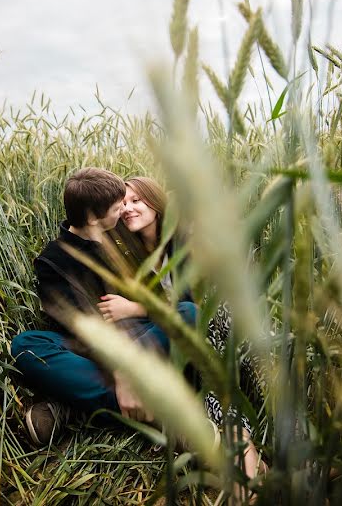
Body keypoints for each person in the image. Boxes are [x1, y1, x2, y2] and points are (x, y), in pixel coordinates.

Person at [10, 168, 198, 445]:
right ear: (93, 218)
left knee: (188, 314)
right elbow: (80, 328)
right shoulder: (53, 262)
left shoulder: (119, 235)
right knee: (26, 344)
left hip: (139, 336)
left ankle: (72, 407)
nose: (124, 210)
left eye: (129, 203)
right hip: (91, 348)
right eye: (118, 206)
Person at [100, 176, 267, 484]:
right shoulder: (129, 256)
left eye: (136, 200)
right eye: (122, 203)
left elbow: (198, 308)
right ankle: (253, 469)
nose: (128, 208)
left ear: (156, 203)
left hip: (216, 334)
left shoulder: (185, 241)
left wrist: (138, 308)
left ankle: (254, 469)